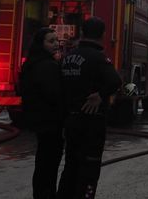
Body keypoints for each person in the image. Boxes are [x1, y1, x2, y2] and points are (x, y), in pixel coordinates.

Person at [57, 17, 122, 199]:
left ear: (83, 33)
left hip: (70, 120)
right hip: (91, 121)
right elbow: (115, 81)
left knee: (71, 165)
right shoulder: (98, 58)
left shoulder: (67, 57)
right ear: (102, 35)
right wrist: (100, 95)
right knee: (90, 168)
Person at [20, 27, 64, 199]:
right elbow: (54, 94)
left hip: (39, 120)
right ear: (41, 43)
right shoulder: (47, 66)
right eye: (51, 41)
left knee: (43, 162)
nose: (55, 44)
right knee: (49, 164)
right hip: (50, 122)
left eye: (56, 41)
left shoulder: (32, 63)